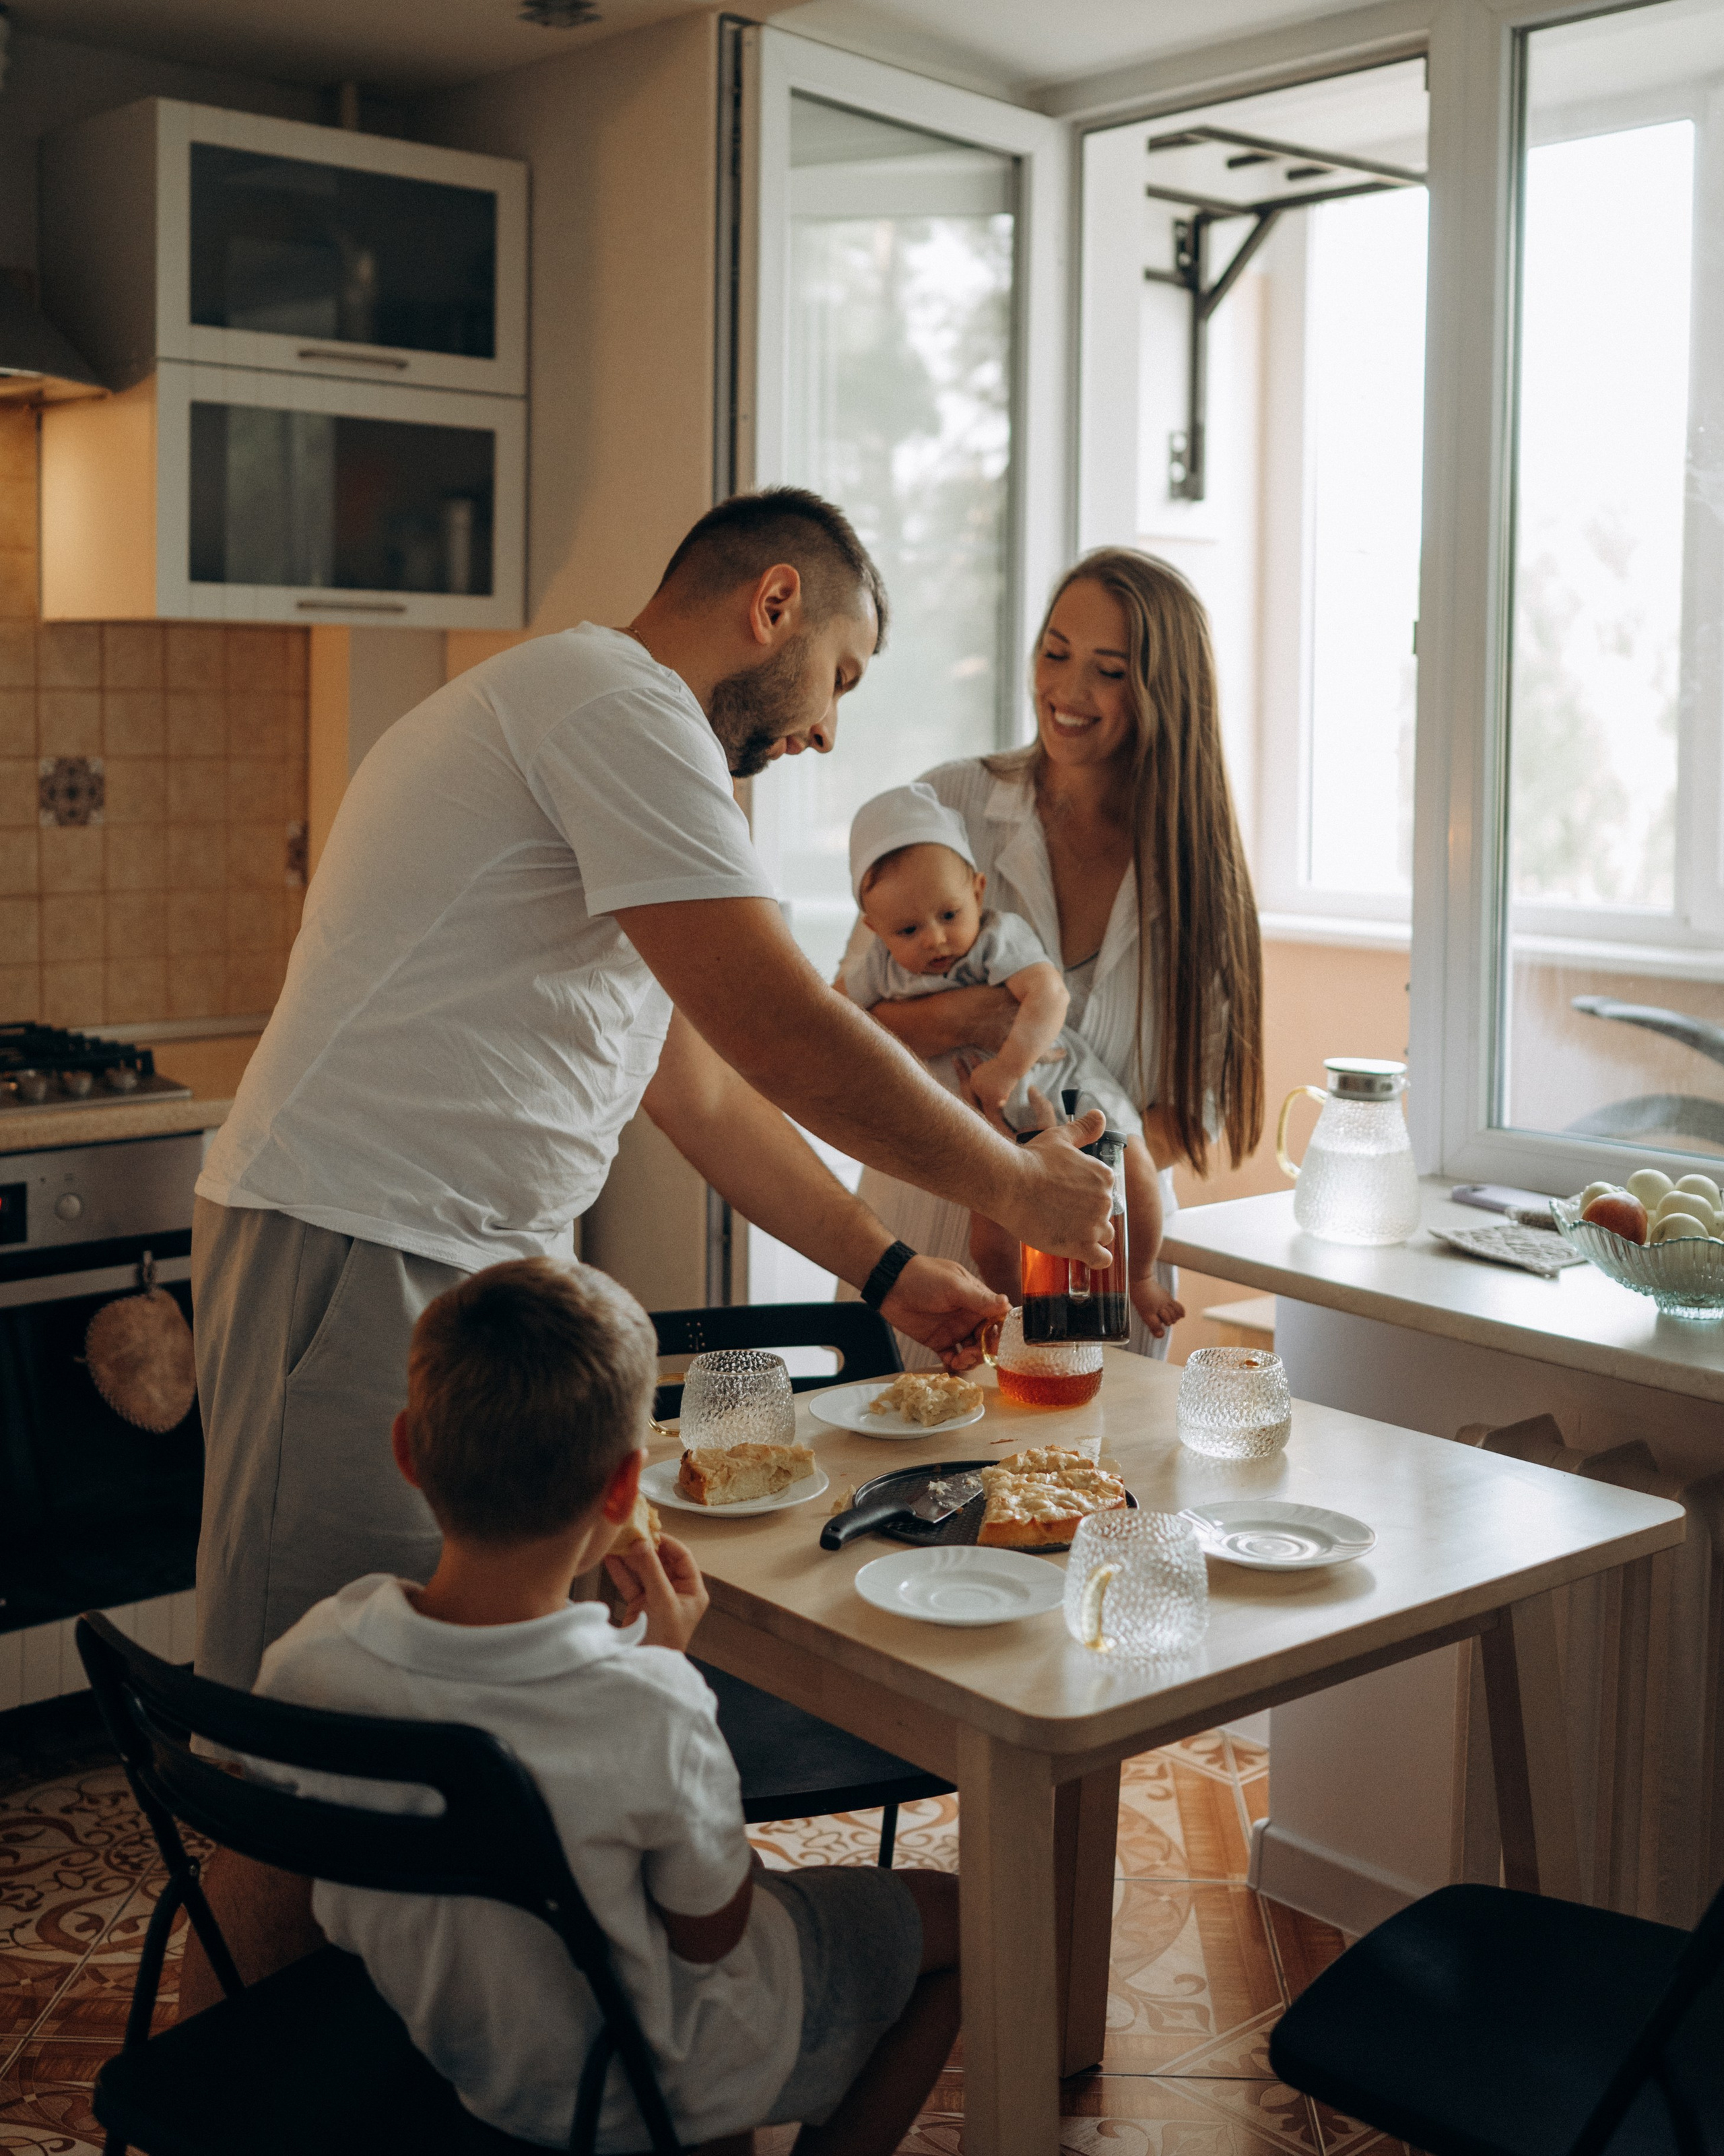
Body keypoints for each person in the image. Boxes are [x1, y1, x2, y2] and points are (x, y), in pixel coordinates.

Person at [193, 486, 1114, 1697]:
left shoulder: (624, 738)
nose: (828, 732)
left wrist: (891, 1269)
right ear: (774, 603)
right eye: (839, 677)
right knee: (305, 1710)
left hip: (474, 1261)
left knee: (460, 1699)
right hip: (352, 1234)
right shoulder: (615, 704)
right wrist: (1015, 1186)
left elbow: (705, 1092)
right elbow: (782, 1030)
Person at [253, 1259, 959, 2156]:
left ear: (408, 1450)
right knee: (961, 1919)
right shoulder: (649, 1706)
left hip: (460, 2047)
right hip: (640, 2071)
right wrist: (665, 1670)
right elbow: (712, 1937)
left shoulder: (310, 1656)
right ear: (625, 1489)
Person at [849, 549, 1264, 1366]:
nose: (1068, 692)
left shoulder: (1201, 874)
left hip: (1100, 1263)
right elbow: (847, 1025)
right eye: (1055, 652)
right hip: (926, 1245)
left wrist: (1061, 1179)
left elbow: (1194, 1111)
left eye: (1108, 671)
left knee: (1090, 1449)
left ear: (1162, 692)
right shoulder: (950, 805)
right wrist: (979, 1021)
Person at [837, 783, 1181, 1334]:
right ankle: (1020, 1320)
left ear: (978, 891)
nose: (935, 939)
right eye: (908, 929)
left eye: (949, 914)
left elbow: (1049, 996)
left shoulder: (997, 938)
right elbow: (833, 1016)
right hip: (986, 1125)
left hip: (1062, 1082)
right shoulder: (880, 965)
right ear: (873, 928)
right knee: (989, 1242)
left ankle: (1140, 1276)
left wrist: (1008, 1068)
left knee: (1132, 1165)